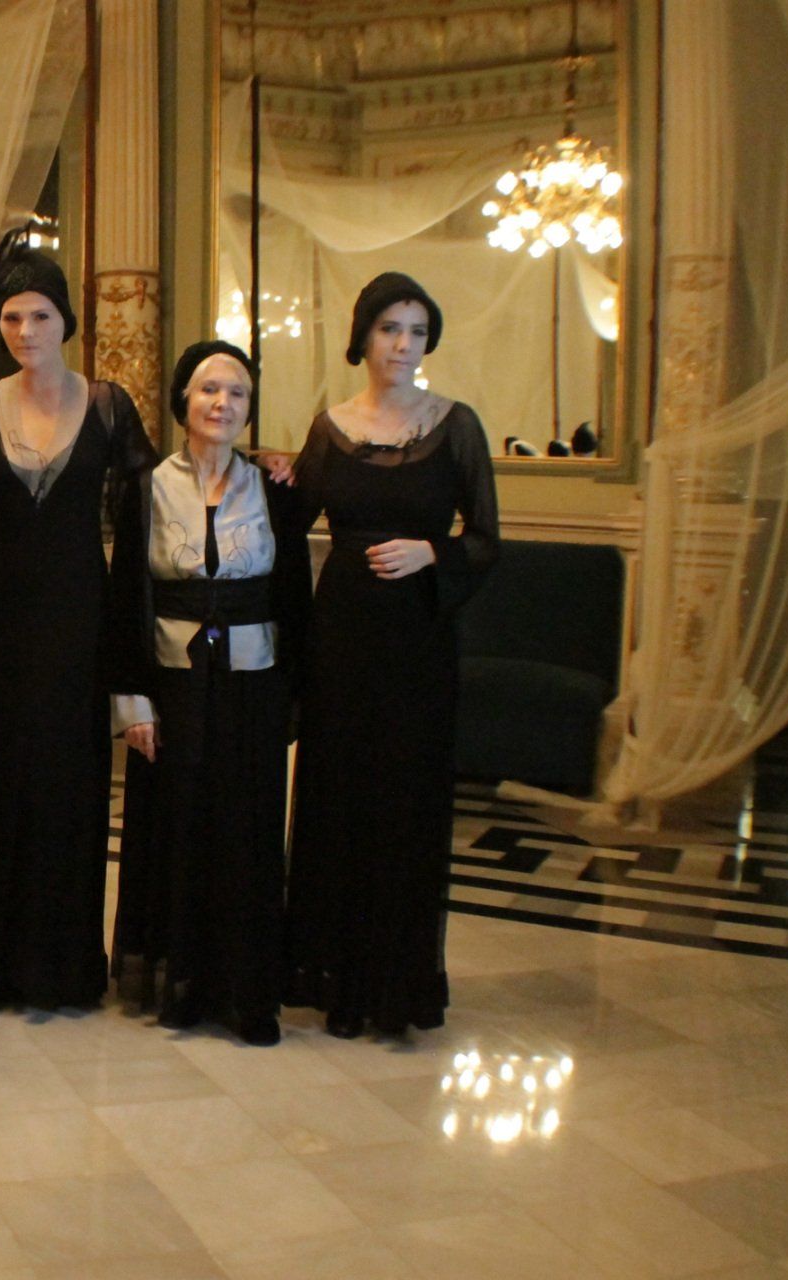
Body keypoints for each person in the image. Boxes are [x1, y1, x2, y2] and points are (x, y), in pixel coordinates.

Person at [273, 271, 501, 1039]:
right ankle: (334, 978)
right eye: (390, 329)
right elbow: (289, 520)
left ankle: (396, 986)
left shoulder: (455, 425)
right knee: (338, 793)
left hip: (417, 640)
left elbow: (487, 539)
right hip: (340, 634)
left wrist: (432, 552)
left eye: (417, 332)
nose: (404, 345)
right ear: (363, 336)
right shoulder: (330, 426)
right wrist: (269, 474)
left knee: (405, 798)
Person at [0, 228, 157, 1018]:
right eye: (12, 317)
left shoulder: (108, 405)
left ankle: (60, 969)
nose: (25, 331)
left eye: (40, 315)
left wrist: (264, 471)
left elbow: (156, 506)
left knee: (69, 788)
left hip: (80, 619)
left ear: (66, 319)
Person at [108, 341, 309, 1047]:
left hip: (255, 683)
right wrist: (132, 702)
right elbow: (125, 597)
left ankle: (248, 993)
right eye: (209, 390)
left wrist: (299, 694)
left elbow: (294, 596)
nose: (222, 403)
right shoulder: (145, 487)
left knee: (247, 829)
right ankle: (183, 985)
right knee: (180, 828)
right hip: (173, 684)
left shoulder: (276, 489)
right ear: (183, 401)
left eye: (237, 393)